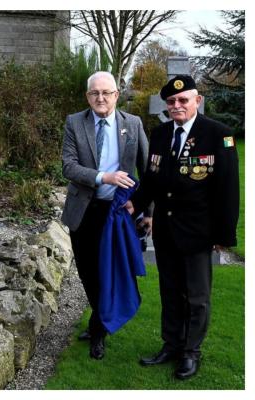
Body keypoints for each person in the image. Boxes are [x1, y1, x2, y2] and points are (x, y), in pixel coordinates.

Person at [130, 75, 239, 379]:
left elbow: (228, 189)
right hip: (165, 230)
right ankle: (171, 344)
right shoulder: (161, 133)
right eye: (171, 101)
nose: (176, 105)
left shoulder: (219, 135)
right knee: (170, 290)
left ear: (197, 101)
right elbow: (151, 179)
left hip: (197, 232)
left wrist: (224, 234)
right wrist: (134, 205)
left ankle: (191, 352)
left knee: (196, 296)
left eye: (183, 100)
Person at [61, 71, 149, 360]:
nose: (101, 98)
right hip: (83, 212)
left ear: (116, 94)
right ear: (88, 96)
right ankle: (99, 320)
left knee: (108, 272)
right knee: (88, 272)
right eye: (94, 93)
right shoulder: (75, 122)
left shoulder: (133, 125)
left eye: (106, 92)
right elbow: (69, 167)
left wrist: (145, 208)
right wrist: (104, 177)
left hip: (116, 214)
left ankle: (98, 331)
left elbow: (147, 170)